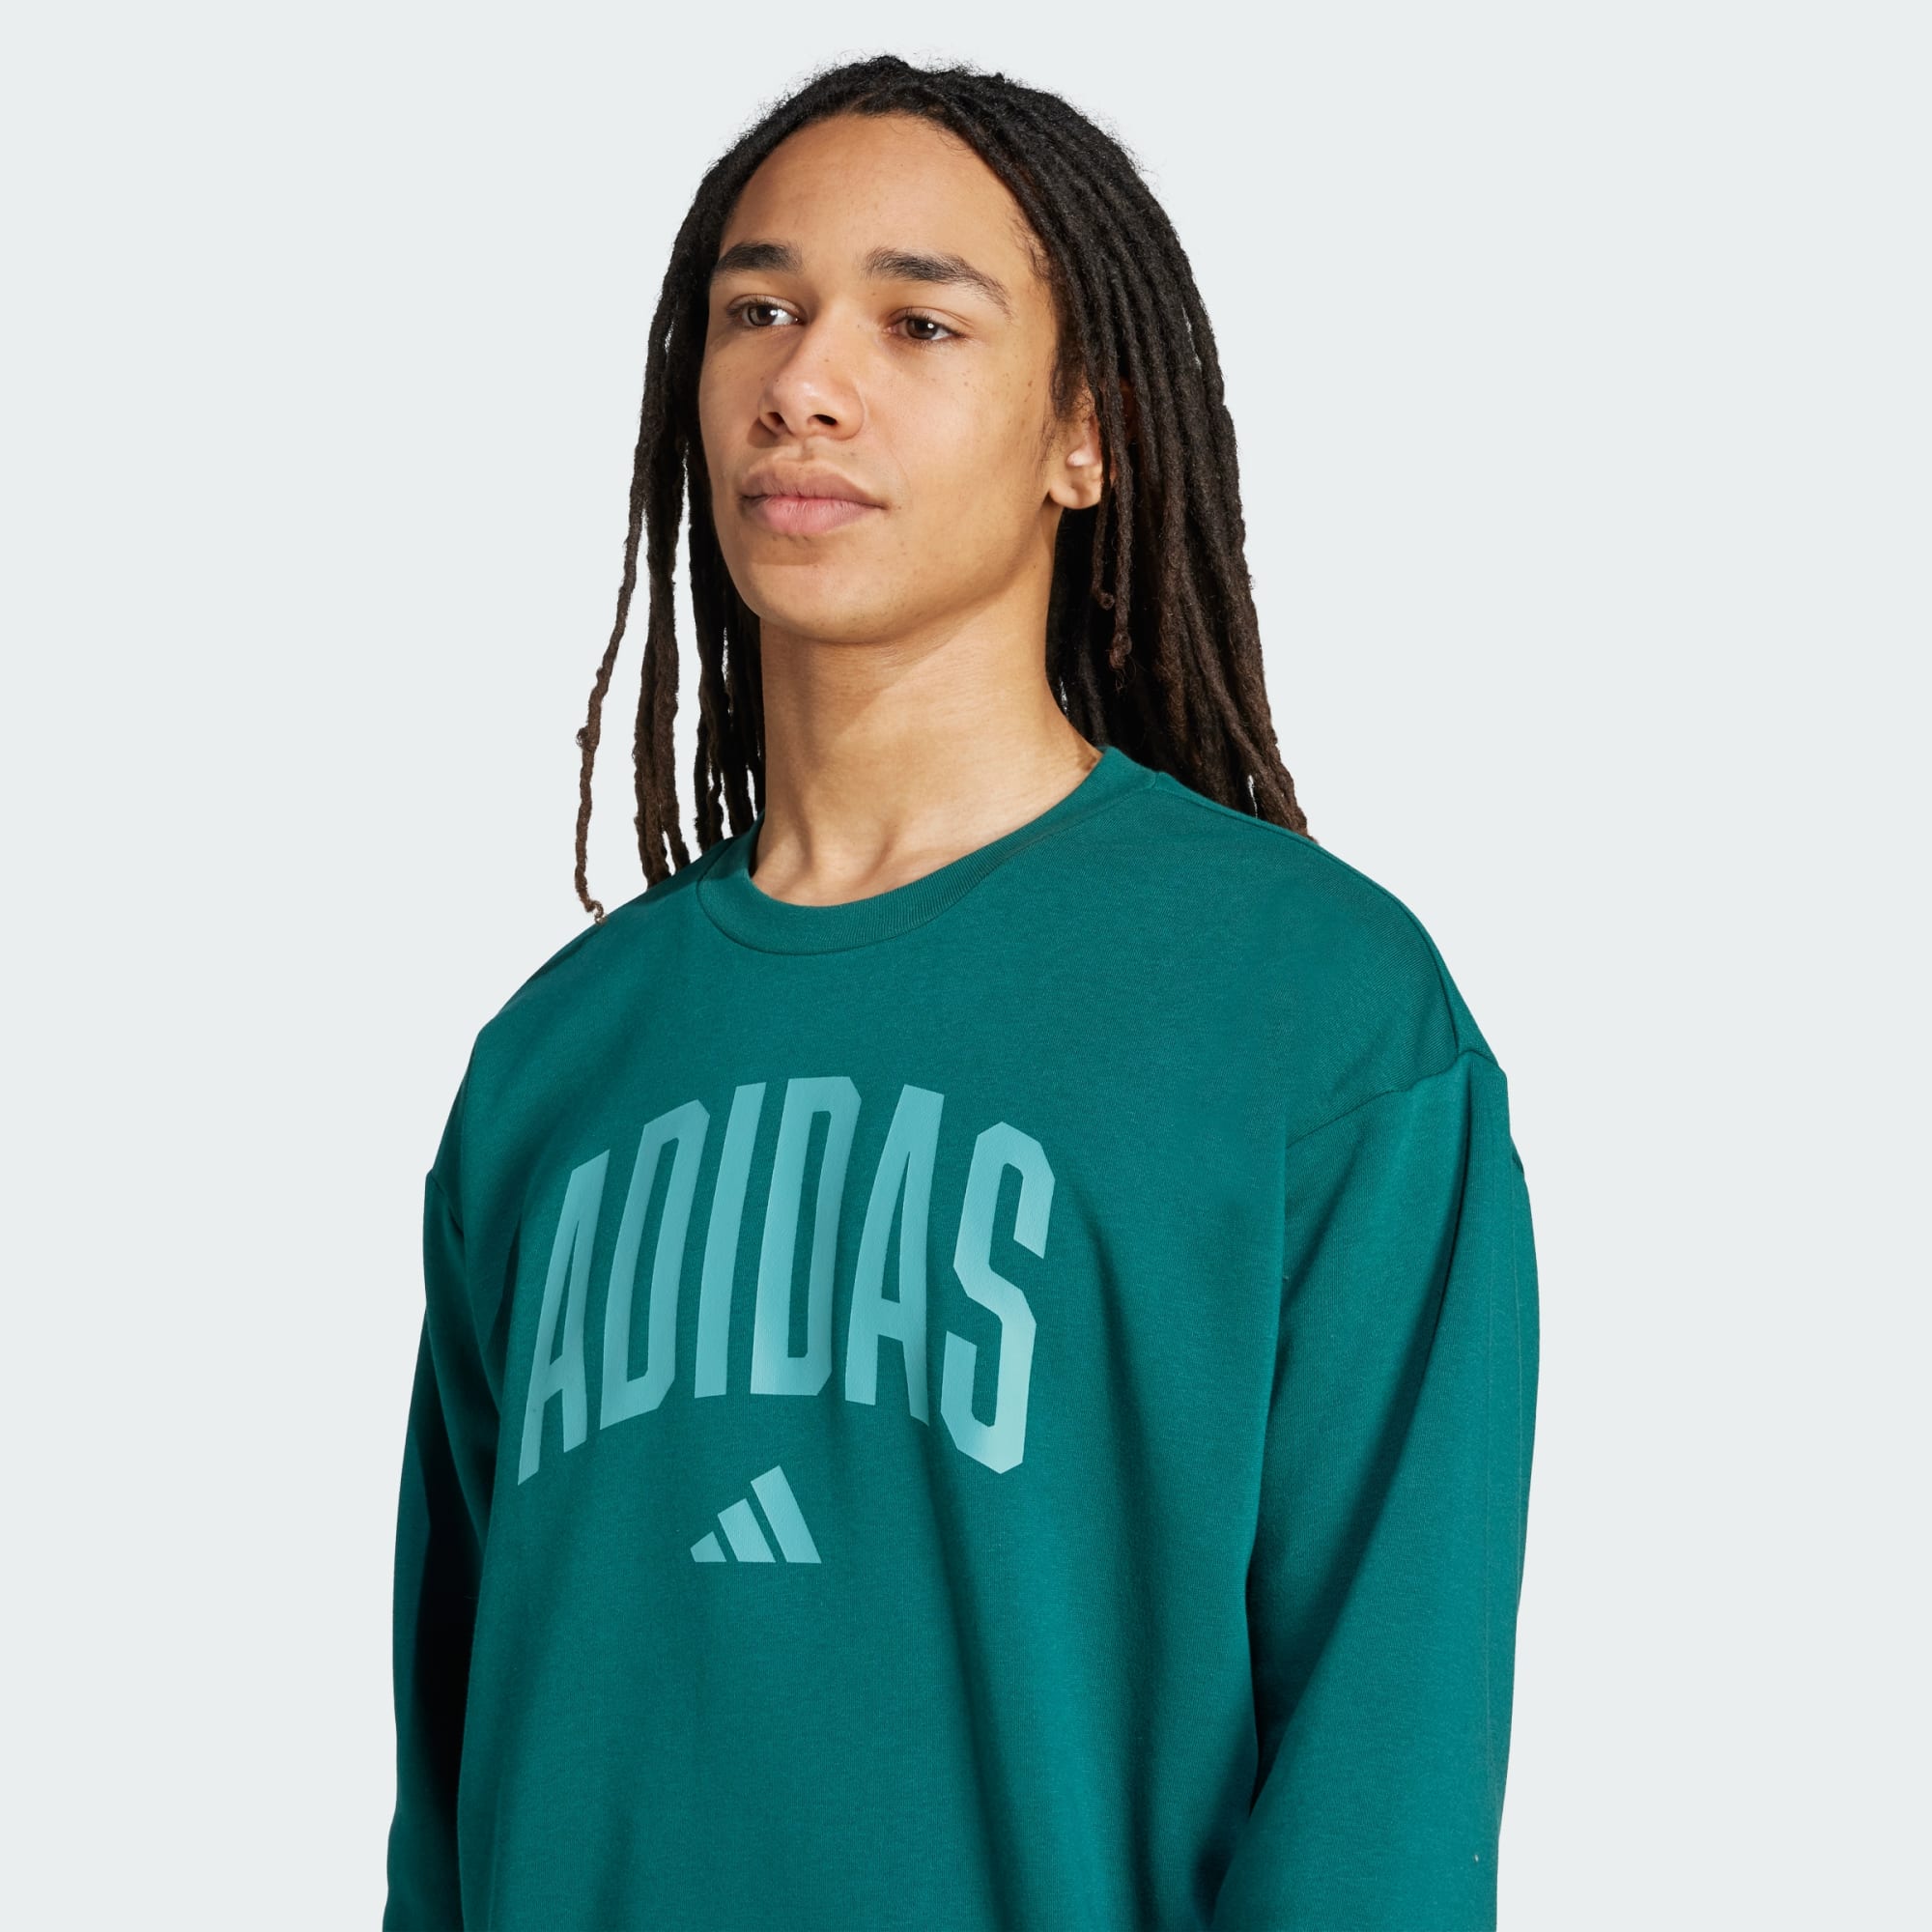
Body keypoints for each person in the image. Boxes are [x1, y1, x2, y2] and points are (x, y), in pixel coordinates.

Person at [382, 52, 1540, 1932]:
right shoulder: (555, 1062)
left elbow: (1379, 1805)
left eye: (918, 322)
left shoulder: (1311, 1013)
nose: (804, 382)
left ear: (1085, 433)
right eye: (757, 311)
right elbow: (447, 1810)